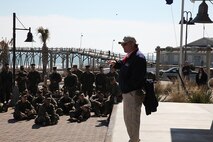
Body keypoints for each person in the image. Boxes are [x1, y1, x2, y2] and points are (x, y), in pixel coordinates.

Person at [109, 36, 147, 142]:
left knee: (132, 120)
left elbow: (137, 79)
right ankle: (133, 139)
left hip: (133, 93)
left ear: (131, 44)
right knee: (128, 119)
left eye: (124, 44)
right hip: (128, 93)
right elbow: (124, 64)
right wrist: (116, 64)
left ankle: (134, 140)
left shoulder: (138, 58)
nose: (122, 46)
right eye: (122, 44)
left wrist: (126, 88)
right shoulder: (130, 56)